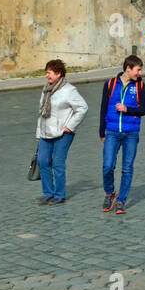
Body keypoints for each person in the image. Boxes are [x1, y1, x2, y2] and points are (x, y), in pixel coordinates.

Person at [99, 55, 145, 214]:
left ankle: (121, 200)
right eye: (138, 70)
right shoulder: (110, 84)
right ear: (128, 68)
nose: (139, 73)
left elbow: (144, 110)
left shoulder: (140, 86)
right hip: (112, 131)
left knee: (127, 168)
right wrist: (102, 131)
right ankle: (110, 192)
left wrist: (128, 110)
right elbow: (103, 108)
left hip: (131, 132)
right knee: (108, 166)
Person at [34, 58, 87, 205]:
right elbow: (41, 113)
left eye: (49, 72)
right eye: (46, 72)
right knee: (43, 161)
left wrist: (70, 126)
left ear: (58, 74)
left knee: (57, 163)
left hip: (62, 134)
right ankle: (48, 193)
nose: (47, 75)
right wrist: (38, 134)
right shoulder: (46, 90)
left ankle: (59, 195)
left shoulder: (69, 90)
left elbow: (82, 108)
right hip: (46, 133)